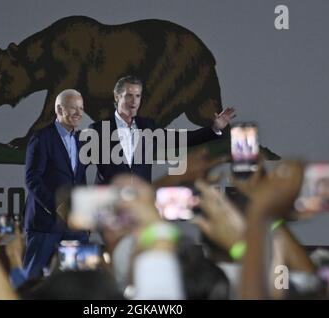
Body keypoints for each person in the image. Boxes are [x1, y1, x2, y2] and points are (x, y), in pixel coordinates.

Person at [88, 75, 236, 184]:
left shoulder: (148, 127)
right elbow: (77, 167)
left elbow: (184, 139)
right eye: (129, 96)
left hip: (141, 207)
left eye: (138, 96)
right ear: (116, 97)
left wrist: (215, 128)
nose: (134, 102)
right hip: (108, 209)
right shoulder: (98, 130)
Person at [23, 89, 89, 280]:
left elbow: (80, 181)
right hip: (45, 225)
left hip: (75, 226)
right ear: (59, 109)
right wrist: (57, 207)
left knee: (76, 283)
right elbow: (32, 179)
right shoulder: (40, 139)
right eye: (73, 108)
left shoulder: (81, 141)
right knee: (32, 282)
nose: (79, 113)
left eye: (81, 108)